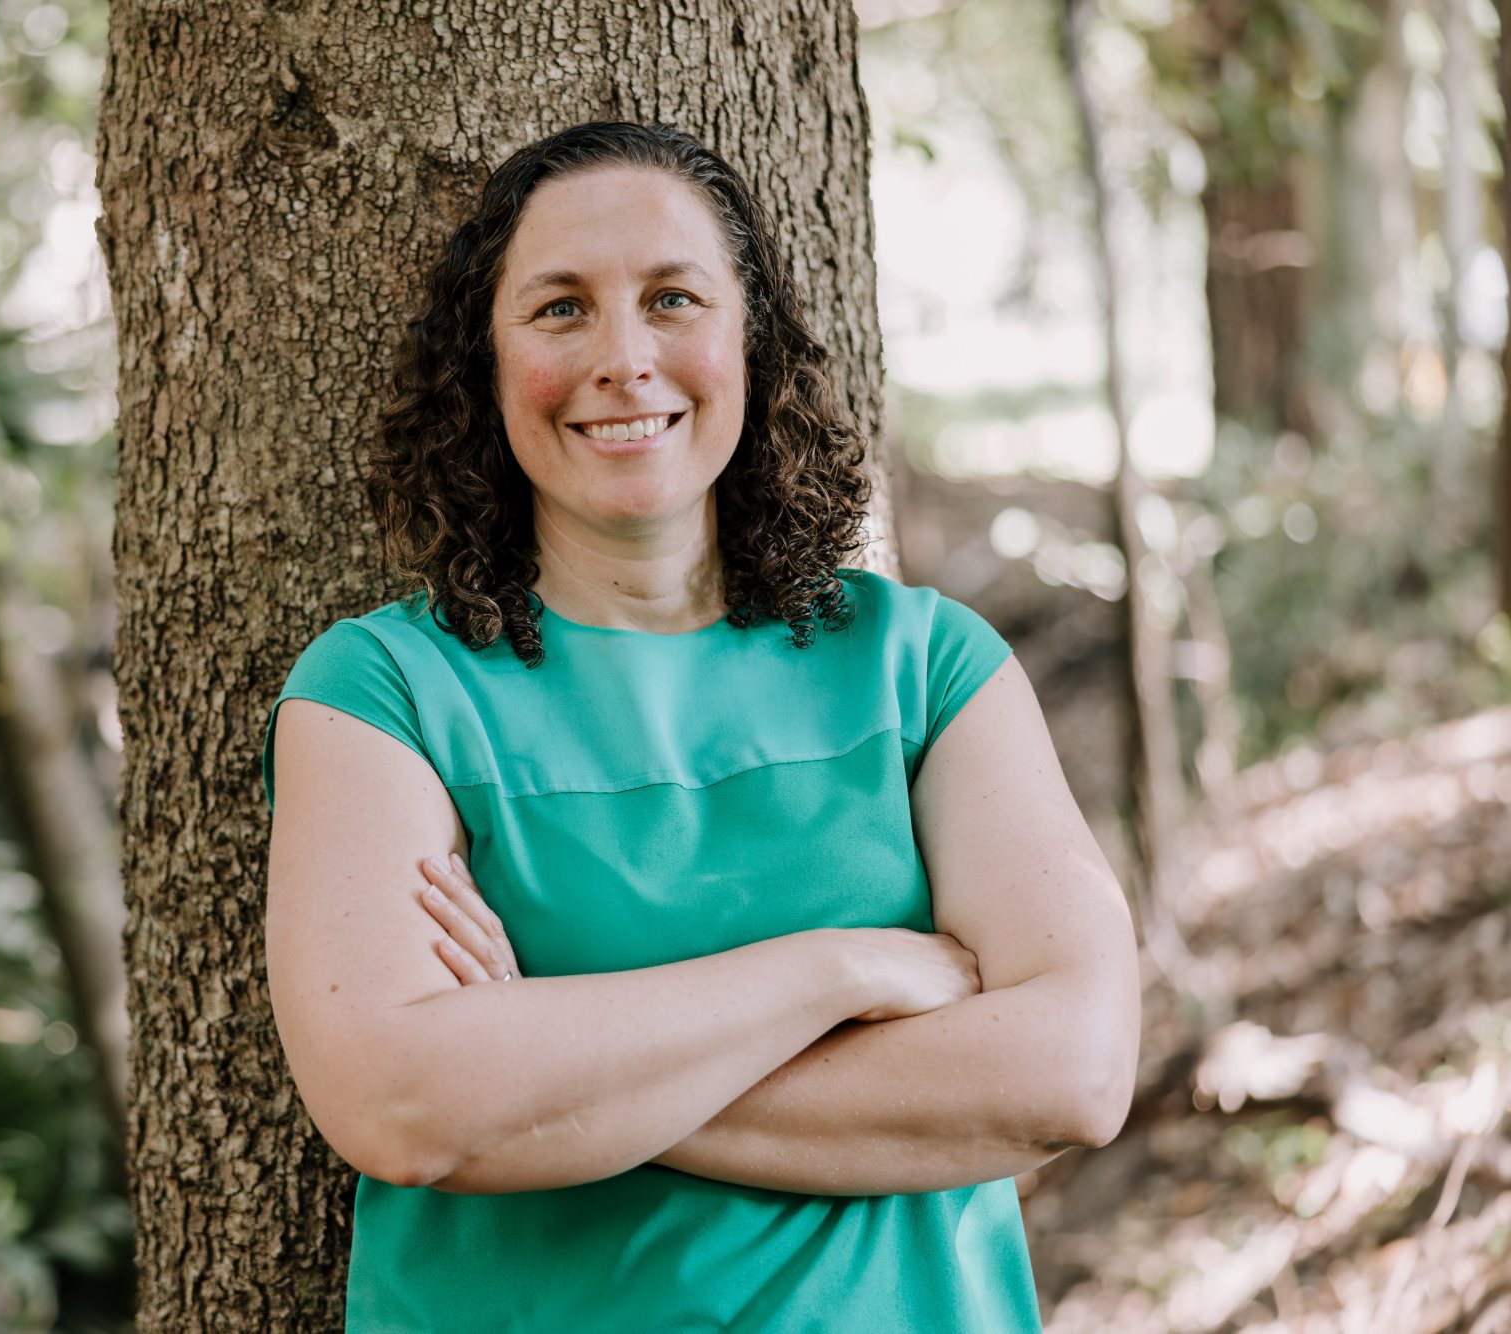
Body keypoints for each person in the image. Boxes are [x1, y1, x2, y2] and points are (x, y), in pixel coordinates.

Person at [261, 120, 1140, 1332]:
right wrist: (843, 969)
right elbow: (402, 1106)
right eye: (558, 309)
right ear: (484, 360)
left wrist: (540, 1066)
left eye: (671, 297)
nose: (622, 357)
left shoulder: (923, 666)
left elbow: (1072, 1073)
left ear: (749, 341)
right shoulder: (381, 690)